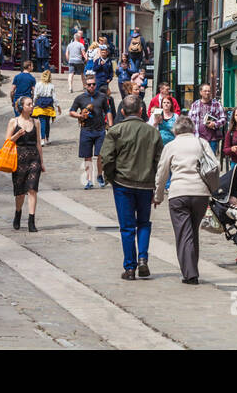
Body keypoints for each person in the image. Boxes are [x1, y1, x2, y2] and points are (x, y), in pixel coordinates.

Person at [100, 93, 163, 280]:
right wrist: (155, 185)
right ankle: (143, 258)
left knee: (127, 227)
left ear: (121, 111)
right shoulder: (152, 132)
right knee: (143, 223)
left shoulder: (115, 131)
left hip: (122, 184)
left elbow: (106, 158)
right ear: (141, 110)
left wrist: (111, 178)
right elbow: (160, 161)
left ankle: (129, 267)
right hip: (145, 185)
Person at [154, 116, 217, 284]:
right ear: (192, 129)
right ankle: (192, 268)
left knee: (184, 234)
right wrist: (213, 189)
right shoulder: (201, 143)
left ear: (175, 130)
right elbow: (214, 164)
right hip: (200, 193)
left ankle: (190, 274)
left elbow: (162, 173)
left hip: (178, 193)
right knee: (192, 232)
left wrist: (158, 196)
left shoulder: (170, 146)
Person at [5, 96, 43, 231]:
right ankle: (18, 212)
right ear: (22, 107)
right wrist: (17, 135)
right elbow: (7, 142)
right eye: (29, 104)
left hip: (34, 158)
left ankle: (31, 221)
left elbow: (38, 143)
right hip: (19, 158)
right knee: (20, 192)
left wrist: (42, 162)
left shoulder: (36, 122)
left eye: (32, 104)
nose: (32, 106)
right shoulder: (13, 122)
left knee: (32, 189)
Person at [71, 73, 114, 189]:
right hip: (86, 130)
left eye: (94, 84)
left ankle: (100, 175)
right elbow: (72, 111)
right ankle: (89, 180)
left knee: (100, 155)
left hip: (100, 130)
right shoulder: (80, 98)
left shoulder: (102, 97)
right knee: (87, 156)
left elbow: (108, 110)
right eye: (89, 85)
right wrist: (79, 116)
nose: (92, 86)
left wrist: (110, 125)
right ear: (85, 85)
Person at [32, 70, 57, 146]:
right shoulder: (51, 85)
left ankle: (42, 139)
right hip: (49, 105)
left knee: (42, 122)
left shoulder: (38, 84)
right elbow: (54, 97)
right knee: (47, 123)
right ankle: (47, 138)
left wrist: (33, 104)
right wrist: (57, 106)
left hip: (40, 104)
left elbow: (35, 95)